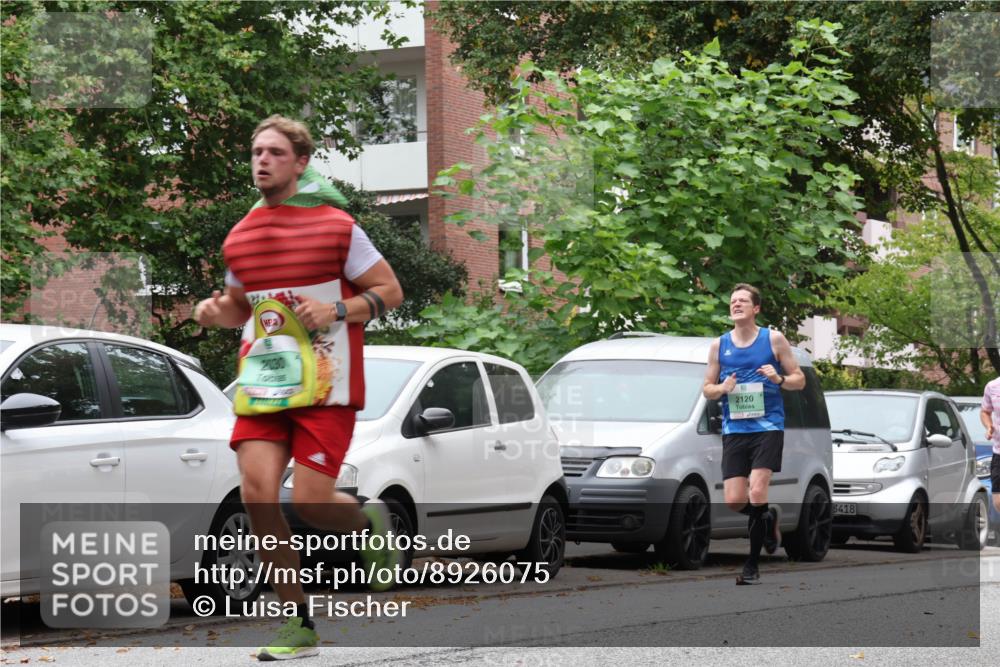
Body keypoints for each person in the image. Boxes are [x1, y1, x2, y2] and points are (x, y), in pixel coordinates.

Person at [194, 115, 404, 660]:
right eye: (256, 152)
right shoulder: (240, 236)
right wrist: (215, 312)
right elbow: (238, 306)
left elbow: (389, 290)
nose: (262, 160)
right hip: (265, 380)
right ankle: (299, 623)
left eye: (275, 153)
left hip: (328, 382)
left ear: (301, 162)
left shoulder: (336, 225)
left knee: (309, 501)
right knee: (257, 495)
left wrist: (336, 308)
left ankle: (367, 520)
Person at [702, 283, 805, 585]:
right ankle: (767, 517)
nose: (736, 305)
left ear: (756, 308)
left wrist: (779, 377)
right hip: (735, 430)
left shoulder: (773, 339)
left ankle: (751, 566)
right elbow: (707, 388)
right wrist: (722, 388)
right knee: (735, 500)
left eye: (743, 301)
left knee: (757, 492)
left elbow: (799, 380)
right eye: (733, 301)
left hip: (768, 427)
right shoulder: (719, 345)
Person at [980, 376, 1000, 515]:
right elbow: (985, 411)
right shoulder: (992, 386)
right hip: (999, 451)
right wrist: (989, 426)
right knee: (998, 501)